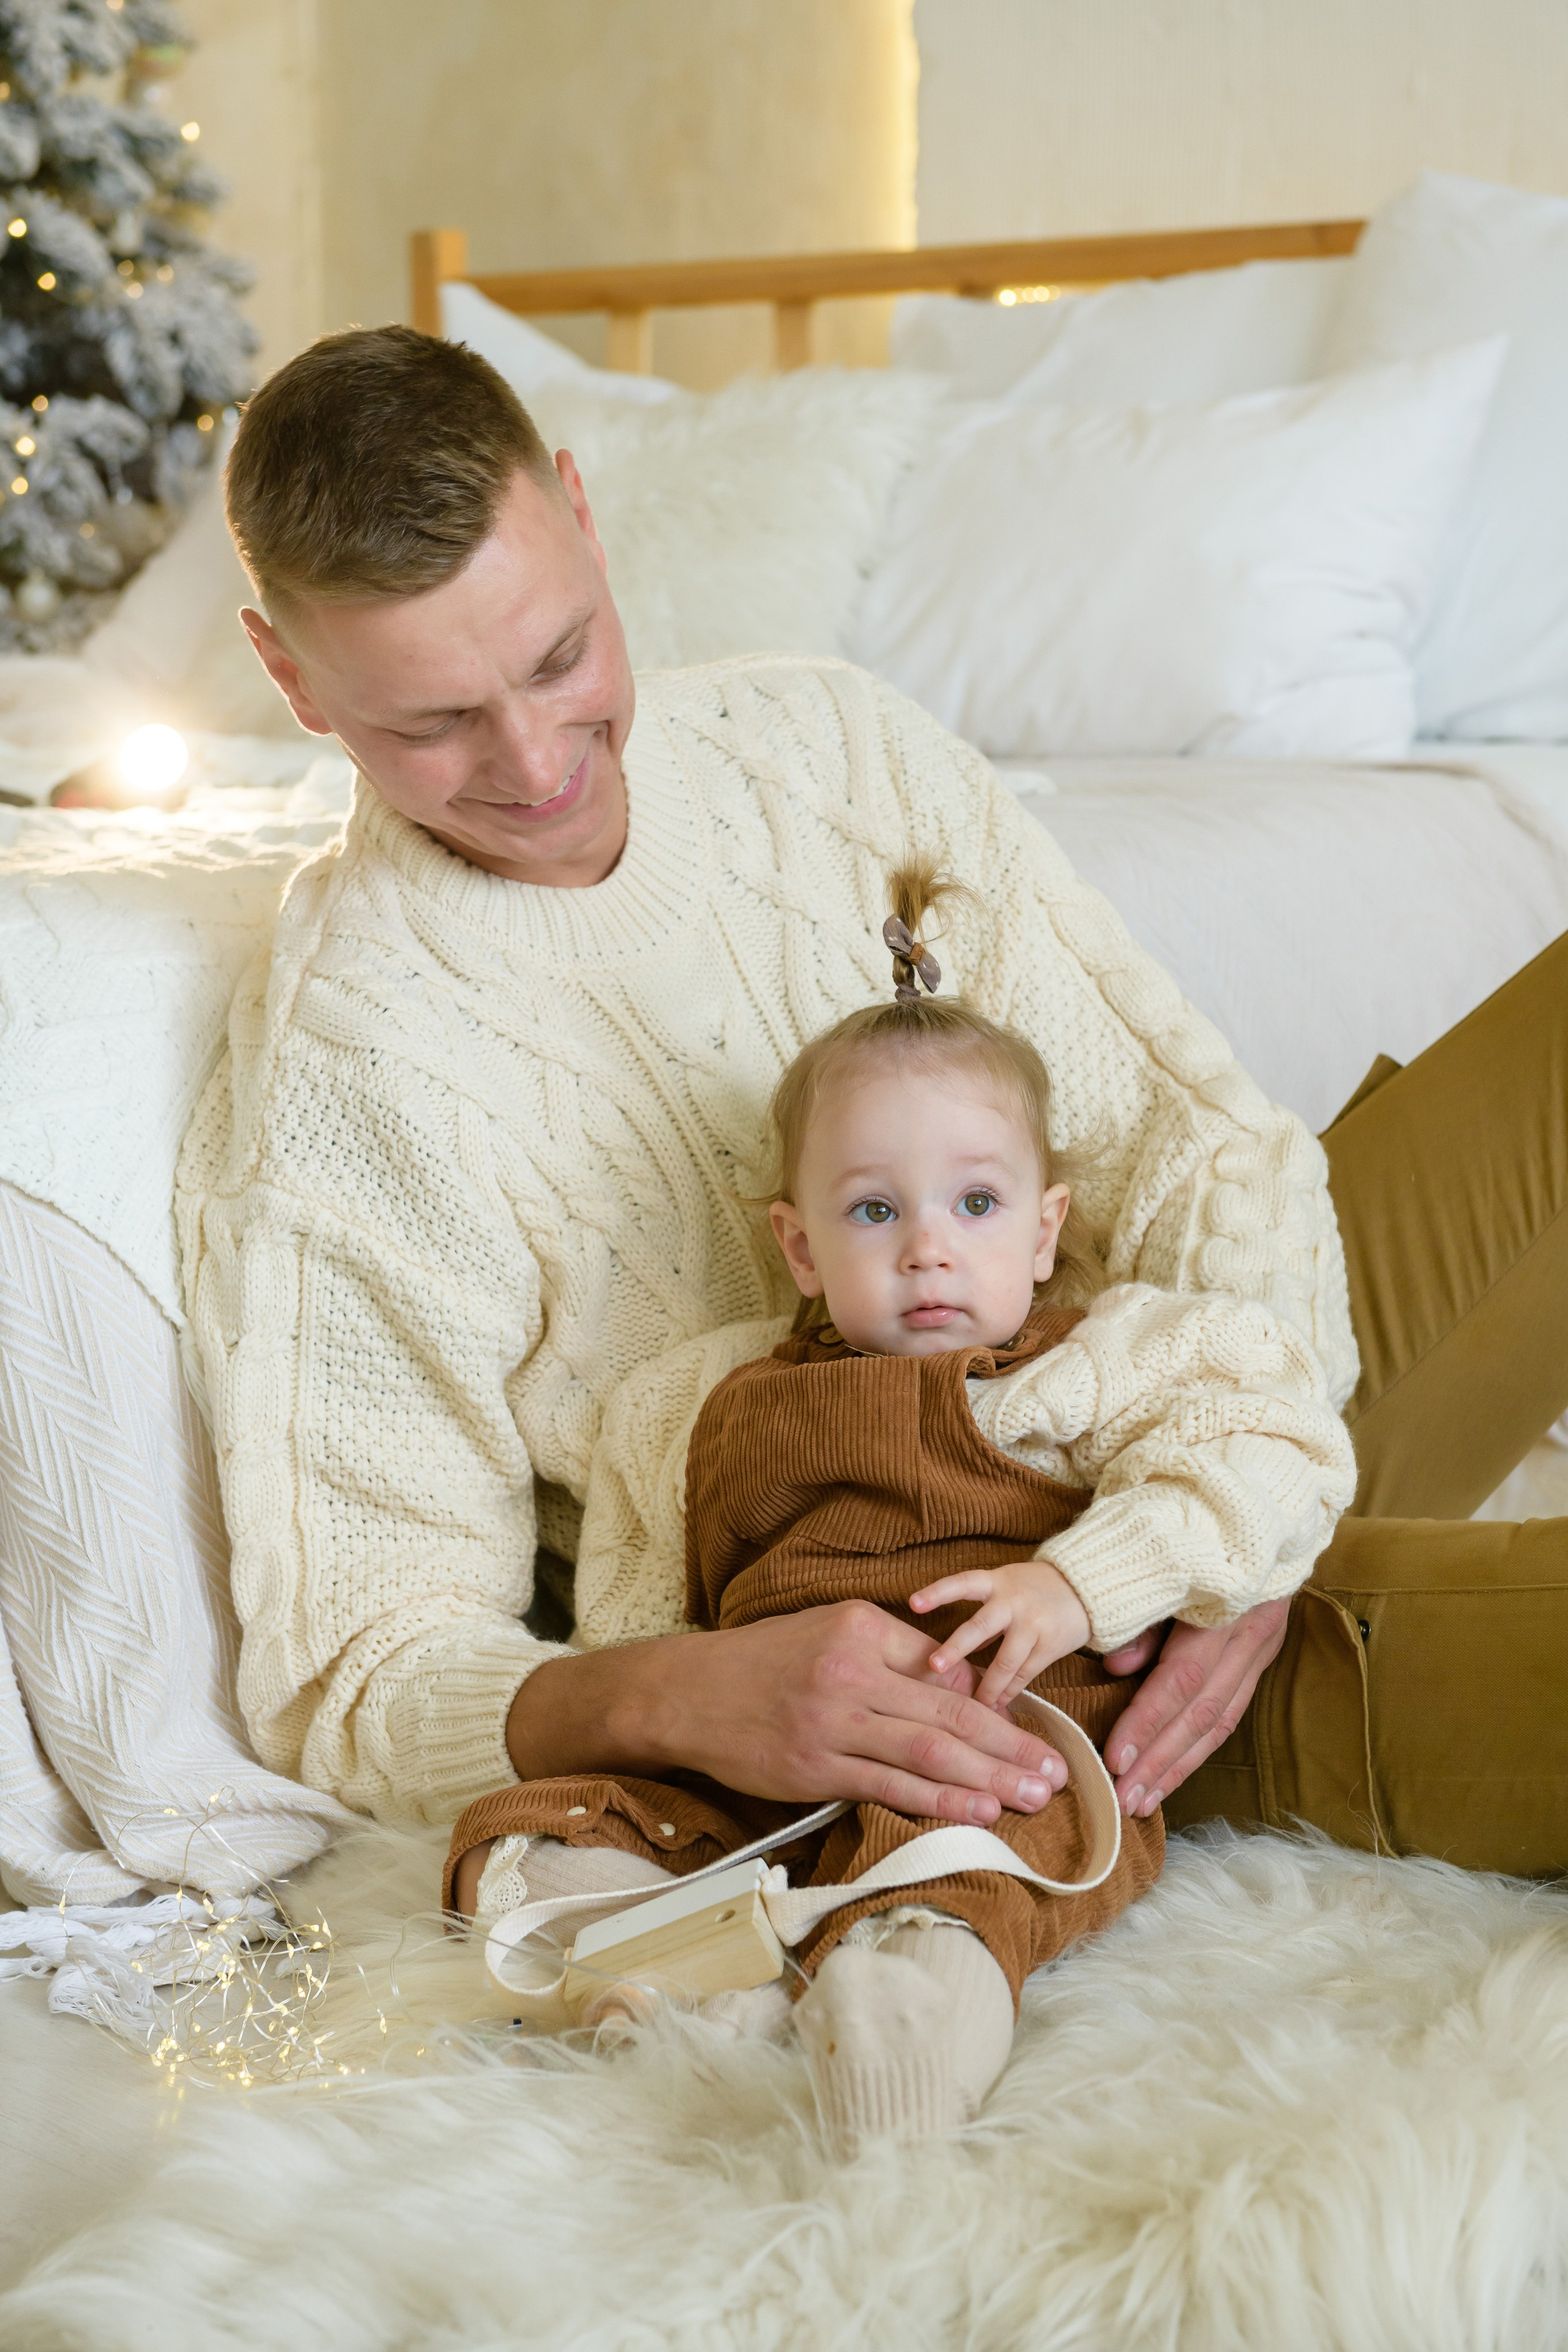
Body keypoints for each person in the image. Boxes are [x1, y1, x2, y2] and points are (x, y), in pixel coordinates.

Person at [175, 322, 1568, 1937]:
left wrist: (1228, 1540)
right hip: (995, 1670)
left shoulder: (828, 745)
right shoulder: (346, 1077)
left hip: (1186, 1432)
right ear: (290, 677)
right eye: (435, 726)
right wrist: (679, 1696)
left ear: (582, 511)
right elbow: (360, 1662)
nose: (539, 763)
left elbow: (1188, 1146)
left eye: (562, 658)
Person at [440, 859, 1355, 2144]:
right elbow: (640, 1610)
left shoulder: (1089, 1362)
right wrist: (666, 1729)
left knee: (950, 1891)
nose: (927, 1247)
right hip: (757, 1765)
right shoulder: (692, 1401)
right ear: (800, 1245)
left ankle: (894, 2059)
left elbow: (1271, 1441)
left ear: (1041, 1234)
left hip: (991, 1758)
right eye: (874, 1210)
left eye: (973, 1205)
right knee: (522, 1837)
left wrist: (1083, 1582)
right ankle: (673, 1987)